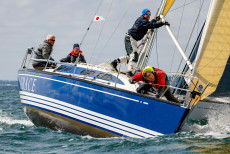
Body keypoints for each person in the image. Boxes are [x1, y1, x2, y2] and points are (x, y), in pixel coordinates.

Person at [110, 8, 169, 76]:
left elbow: (149, 24)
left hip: (132, 39)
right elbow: (151, 25)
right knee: (134, 55)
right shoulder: (142, 21)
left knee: (130, 56)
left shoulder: (144, 21)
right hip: (130, 38)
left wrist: (155, 19)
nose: (149, 16)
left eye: (149, 14)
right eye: (147, 14)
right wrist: (162, 23)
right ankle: (130, 72)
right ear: (144, 15)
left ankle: (114, 63)